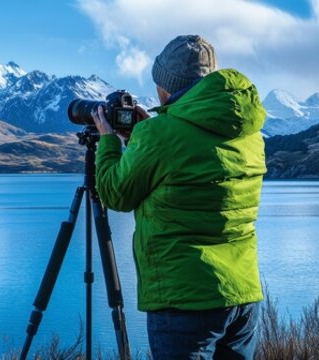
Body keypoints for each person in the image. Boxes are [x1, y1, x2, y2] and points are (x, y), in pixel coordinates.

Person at [91, 35, 267, 359]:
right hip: (243, 293)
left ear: (166, 87)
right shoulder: (249, 133)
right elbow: (194, 155)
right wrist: (151, 133)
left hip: (184, 298)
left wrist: (109, 143)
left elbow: (115, 192)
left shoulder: (159, 135)